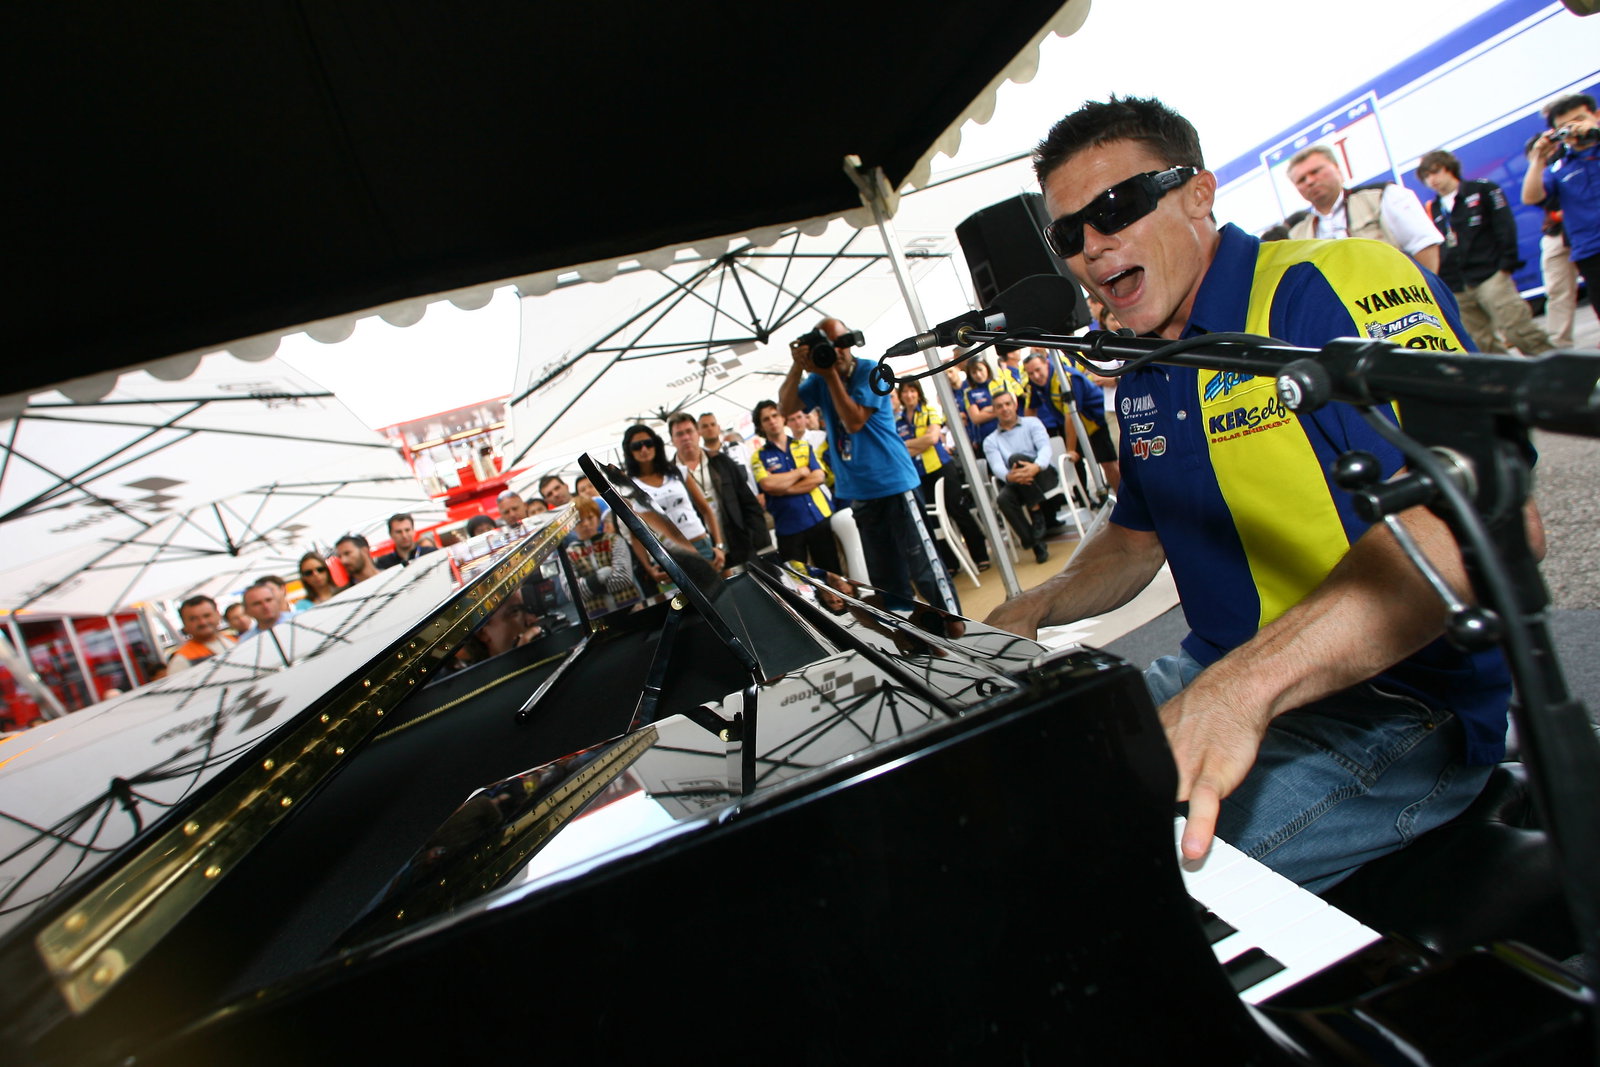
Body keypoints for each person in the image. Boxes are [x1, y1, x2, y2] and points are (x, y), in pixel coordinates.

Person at [991, 95, 1540, 892]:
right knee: (1017, 789)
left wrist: (1244, 687)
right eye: (1067, 233)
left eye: (1115, 208)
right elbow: (1138, 536)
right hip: (1217, 672)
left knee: (1112, 883)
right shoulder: (1142, 369)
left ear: (1199, 194)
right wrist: (1035, 604)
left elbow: (1480, 524)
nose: (1092, 246)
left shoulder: (1331, 284)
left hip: (1400, 702)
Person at [780, 318, 955, 611]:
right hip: (861, 494)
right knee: (887, 581)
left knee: (924, 570)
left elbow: (854, 421)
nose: (837, 351)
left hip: (895, 486)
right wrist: (798, 366)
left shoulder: (871, 371)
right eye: (828, 346)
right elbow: (786, 408)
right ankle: (906, 631)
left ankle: (956, 626)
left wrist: (829, 375)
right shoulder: (819, 380)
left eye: (842, 343)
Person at [1416, 149, 1551, 356]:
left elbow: (1505, 226)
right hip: (1456, 284)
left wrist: (1506, 265)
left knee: (1519, 332)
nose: (1432, 179)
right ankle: (1505, 377)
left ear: (1449, 168)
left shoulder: (1482, 189)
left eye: (1435, 172)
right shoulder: (1432, 207)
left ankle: (1560, 370)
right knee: (1481, 345)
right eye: (1426, 176)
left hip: (1490, 274)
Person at [1285, 144, 1443, 273]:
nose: (1310, 181)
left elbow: (1424, 245)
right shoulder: (1297, 234)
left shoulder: (1383, 196)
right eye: (1301, 180)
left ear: (1337, 168)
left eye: (1315, 171)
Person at [1522, 93, 1600, 326]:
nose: (1574, 129)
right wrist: (1538, 158)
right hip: (1590, 251)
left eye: (1580, 119)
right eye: (1566, 126)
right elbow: (1531, 197)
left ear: (1596, 116)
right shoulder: (1559, 167)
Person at [896, 380, 989, 573]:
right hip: (919, 475)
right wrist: (918, 444)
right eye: (905, 392)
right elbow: (898, 451)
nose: (909, 395)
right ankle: (951, 564)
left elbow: (932, 438)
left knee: (958, 510)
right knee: (934, 520)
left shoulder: (930, 410)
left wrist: (907, 444)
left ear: (918, 392)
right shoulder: (898, 421)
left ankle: (981, 556)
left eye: (912, 391)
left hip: (942, 468)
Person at [668, 411, 770, 568]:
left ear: (698, 433)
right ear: (672, 440)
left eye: (689, 431)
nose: (686, 437)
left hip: (739, 544)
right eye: (679, 434)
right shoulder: (669, 477)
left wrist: (754, 538)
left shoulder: (720, 461)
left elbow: (748, 501)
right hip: (704, 554)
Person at [750, 399, 841, 574]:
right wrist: (800, 472)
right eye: (766, 419)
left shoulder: (804, 446)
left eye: (775, 415)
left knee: (833, 576)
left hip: (819, 519)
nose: (772, 421)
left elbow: (819, 476)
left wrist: (783, 488)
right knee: (798, 582)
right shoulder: (758, 456)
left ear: (783, 418)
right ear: (760, 426)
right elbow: (768, 484)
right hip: (788, 527)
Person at [622, 424, 725, 571]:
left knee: (722, 584)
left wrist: (719, 545)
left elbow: (706, 509)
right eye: (637, 446)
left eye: (648, 443)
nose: (644, 449)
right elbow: (635, 533)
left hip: (701, 543)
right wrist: (648, 568)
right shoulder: (628, 488)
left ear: (656, 444)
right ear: (629, 450)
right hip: (668, 554)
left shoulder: (678, 473)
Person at [1022, 349, 1121, 492]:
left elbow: (1071, 416)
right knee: (1074, 462)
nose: (1035, 376)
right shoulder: (1034, 384)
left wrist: (1070, 449)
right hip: (1078, 426)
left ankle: (1125, 498)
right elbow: (1030, 410)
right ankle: (1090, 498)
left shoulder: (1066, 378)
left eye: (1038, 370)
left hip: (1096, 422)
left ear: (1046, 363)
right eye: (1030, 373)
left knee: (1108, 463)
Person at [980, 390, 1058, 565]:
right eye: (999, 406)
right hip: (1017, 481)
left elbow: (1045, 448)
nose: (1004, 409)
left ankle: (1036, 512)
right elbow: (997, 466)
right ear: (994, 411)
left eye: (1008, 404)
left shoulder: (1033, 423)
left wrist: (1036, 466)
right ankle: (1036, 544)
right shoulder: (990, 441)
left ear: (1015, 405)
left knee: (1015, 459)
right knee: (1003, 499)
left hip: (1043, 475)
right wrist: (1010, 477)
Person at [564, 496, 642, 618]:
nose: (586, 524)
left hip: (631, 608)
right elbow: (571, 593)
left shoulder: (614, 540)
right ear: (571, 524)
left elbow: (624, 578)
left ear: (598, 517)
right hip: (598, 617)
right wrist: (600, 576)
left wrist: (588, 588)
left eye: (590, 517)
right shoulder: (568, 554)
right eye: (579, 520)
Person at [166, 596, 234, 673]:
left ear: (218, 615)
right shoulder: (181, 661)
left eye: (207, 615)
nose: (202, 622)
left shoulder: (233, 640)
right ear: (184, 623)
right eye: (193, 619)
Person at [955, 356, 1001, 450]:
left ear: (987, 368)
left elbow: (1012, 407)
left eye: (980, 370)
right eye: (974, 372)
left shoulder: (1000, 383)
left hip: (1008, 431)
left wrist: (986, 410)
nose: (978, 375)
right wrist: (1000, 410)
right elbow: (976, 418)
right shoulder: (969, 393)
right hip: (986, 439)